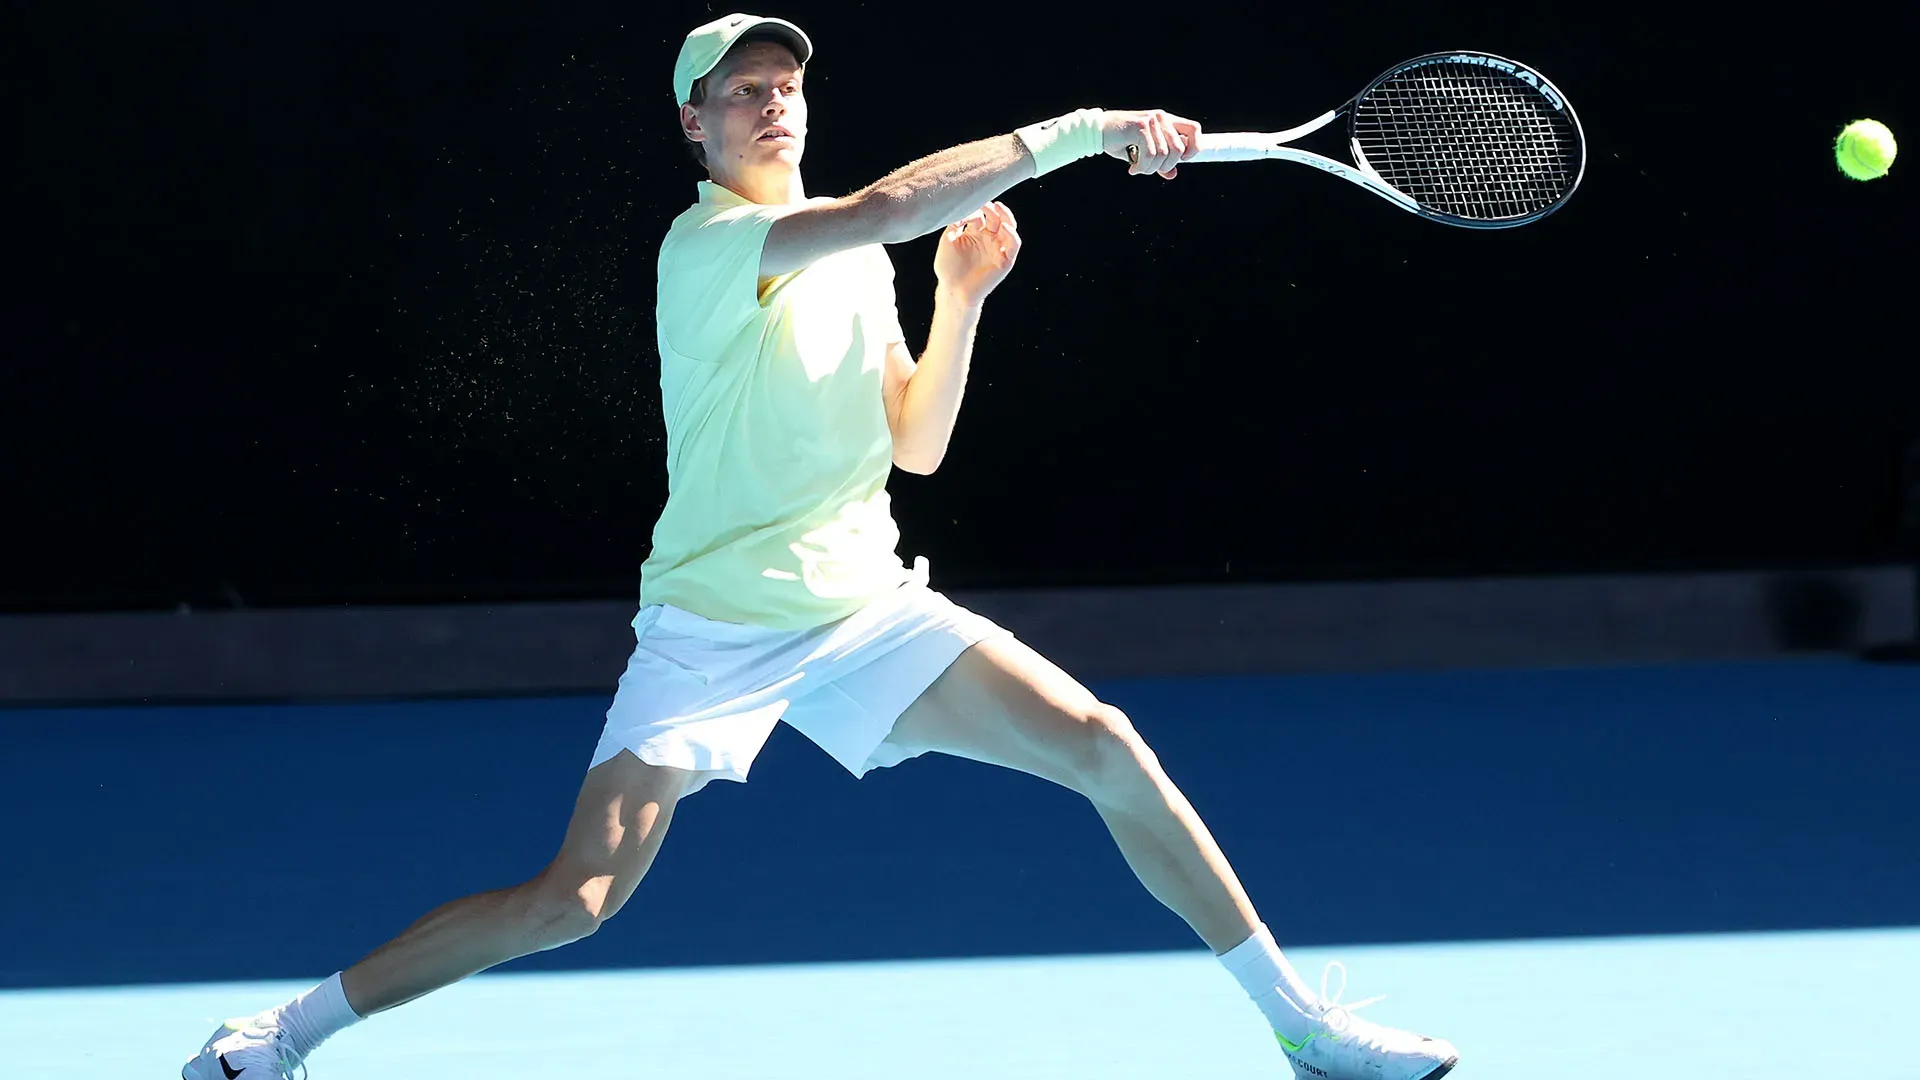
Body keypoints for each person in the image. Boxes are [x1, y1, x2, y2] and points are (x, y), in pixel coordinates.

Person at [182, 13, 1459, 1080]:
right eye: (741, 93)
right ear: (695, 124)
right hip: (710, 629)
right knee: (574, 900)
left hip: (866, 610)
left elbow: (915, 446)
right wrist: (1083, 133)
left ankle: (1301, 1027)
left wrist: (959, 302)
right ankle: (285, 1033)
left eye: (785, 86)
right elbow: (897, 203)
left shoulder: (856, 260)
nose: (770, 105)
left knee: (1106, 746)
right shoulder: (713, 247)